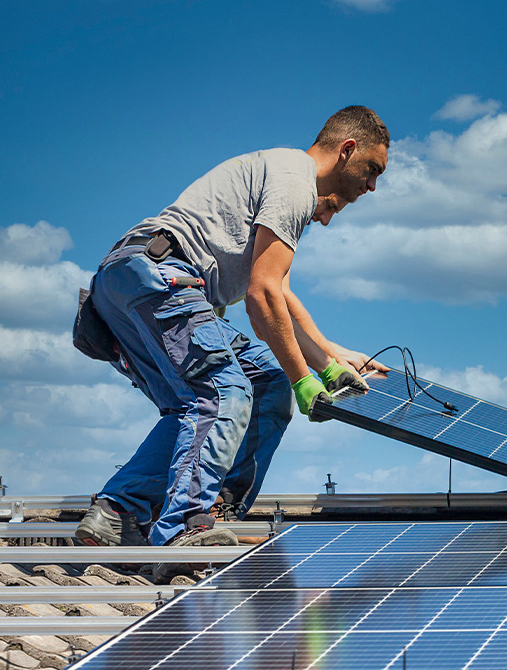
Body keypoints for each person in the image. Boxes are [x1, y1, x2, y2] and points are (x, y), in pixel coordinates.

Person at [74, 106, 390, 581]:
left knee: (261, 379)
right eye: (372, 171)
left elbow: (277, 292)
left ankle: (120, 513)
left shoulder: (279, 176)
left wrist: (329, 355)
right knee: (223, 391)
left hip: (128, 284)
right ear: (347, 150)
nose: (371, 187)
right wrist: (306, 379)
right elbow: (262, 300)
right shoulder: (295, 181)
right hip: (162, 278)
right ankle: (186, 525)